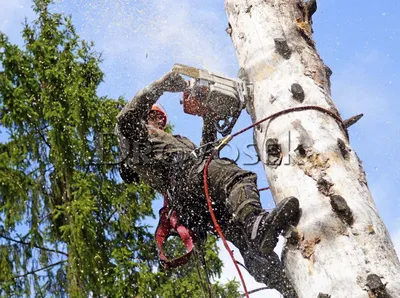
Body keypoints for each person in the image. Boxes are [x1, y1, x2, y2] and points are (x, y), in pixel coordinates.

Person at [115, 71, 300, 292]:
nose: (158, 121)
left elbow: (207, 155)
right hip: (183, 183)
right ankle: (255, 225)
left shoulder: (177, 140)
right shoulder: (136, 139)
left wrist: (209, 118)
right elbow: (125, 119)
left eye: (160, 118)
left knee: (239, 231)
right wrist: (160, 86)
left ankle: (282, 282)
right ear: (145, 116)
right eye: (154, 116)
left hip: (196, 199)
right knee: (236, 177)